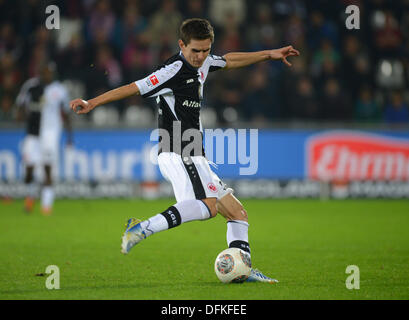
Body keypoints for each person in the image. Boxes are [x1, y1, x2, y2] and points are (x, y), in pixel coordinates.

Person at [70, 18, 299, 283]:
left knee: (237, 213)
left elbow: (230, 60)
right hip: (177, 147)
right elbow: (135, 87)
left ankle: (243, 269)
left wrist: (269, 54)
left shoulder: (204, 62)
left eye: (205, 50)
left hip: (194, 151)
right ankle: (142, 228)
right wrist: (92, 102)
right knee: (208, 207)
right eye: (196, 51)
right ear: (181, 45)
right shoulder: (173, 69)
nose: (201, 56)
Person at [16, 62, 72, 215]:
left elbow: (65, 113)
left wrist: (69, 135)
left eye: (49, 72)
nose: (47, 74)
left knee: (47, 168)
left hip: (50, 132)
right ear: (40, 72)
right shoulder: (31, 86)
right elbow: (20, 104)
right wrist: (20, 115)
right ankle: (31, 195)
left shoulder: (59, 90)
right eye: (44, 71)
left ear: (53, 73)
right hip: (32, 132)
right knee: (29, 169)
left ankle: (46, 206)